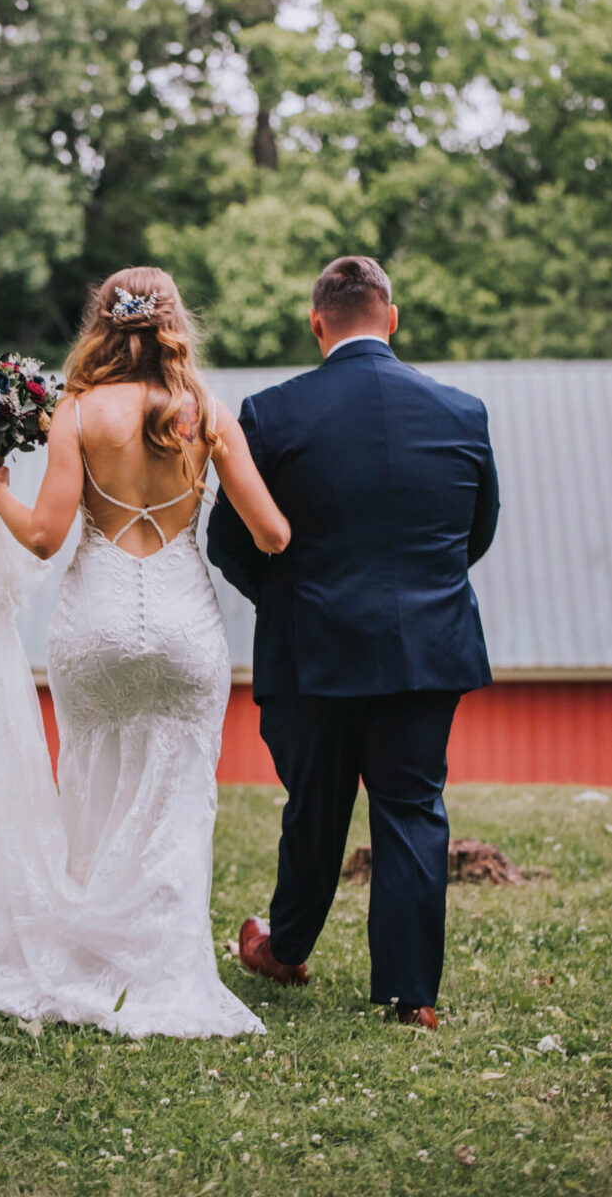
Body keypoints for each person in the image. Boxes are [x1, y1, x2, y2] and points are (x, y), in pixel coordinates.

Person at [0, 266, 289, 1038]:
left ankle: (91, 959)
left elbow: (44, 537)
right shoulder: (204, 413)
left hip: (93, 626)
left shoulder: (78, 413)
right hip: (184, 627)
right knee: (179, 796)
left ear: (102, 324)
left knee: (92, 784)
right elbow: (272, 534)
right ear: (173, 323)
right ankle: (164, 967)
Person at [207, 255, 500, 1030]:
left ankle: (286, 948)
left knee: (315, 805)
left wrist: (294, 602)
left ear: (316, 323)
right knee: (411, 808)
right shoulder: (460, 412)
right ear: (390, 318)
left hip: (313, 652)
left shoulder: (269, 414)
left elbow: (230, 544)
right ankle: (414, 998)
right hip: (425, 647)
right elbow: (474, 534)